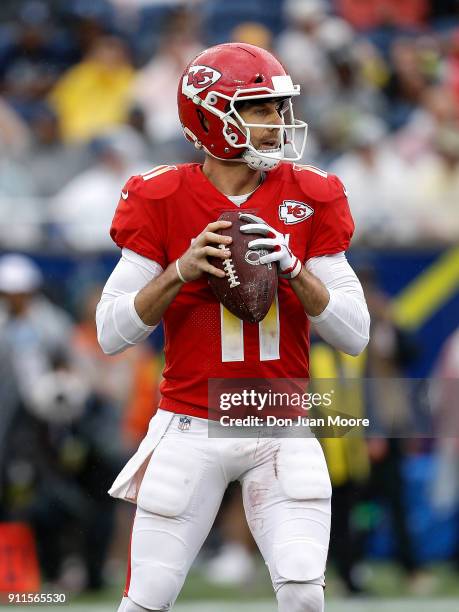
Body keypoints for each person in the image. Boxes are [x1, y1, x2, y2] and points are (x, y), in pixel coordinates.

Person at [96, 43, 370, 612]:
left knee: (303, 598)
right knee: (146, 601)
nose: (277, 124)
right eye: (261, 109)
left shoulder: (310, 194)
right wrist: (179, 270)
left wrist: (294, 272)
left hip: (281, 425)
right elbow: (110, 332)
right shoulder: (162, 196)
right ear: (211, 115)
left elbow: (354, 333)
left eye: (278, 108)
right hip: (190, 423)